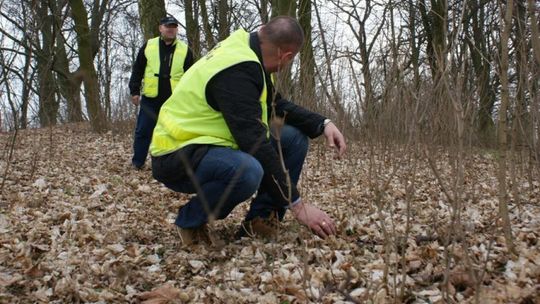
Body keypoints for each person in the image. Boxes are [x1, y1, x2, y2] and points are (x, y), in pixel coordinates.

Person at [150, 16, 346, 245]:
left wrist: (324, 124)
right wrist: (297, 205)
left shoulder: (247, 51)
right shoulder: (237, 68)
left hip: (205, 146)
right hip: (176, 153)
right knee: (247, 171)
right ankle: (189, 221)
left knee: (293, 139)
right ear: (287, 56)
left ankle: (260, 219)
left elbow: (276, 106)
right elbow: (253, 142)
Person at [128, 15, 194, 170]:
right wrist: (134, 91)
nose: (171, 29)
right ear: (160, 28)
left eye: (174, 27)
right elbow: (138, 69)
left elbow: (191, 76)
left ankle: (173, 165)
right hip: (151, 99)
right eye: (168, 26)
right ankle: (138, 163)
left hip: (174, 101)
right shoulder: (148, 46)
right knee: (143, 131)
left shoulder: (185, 50)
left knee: (175, 133)